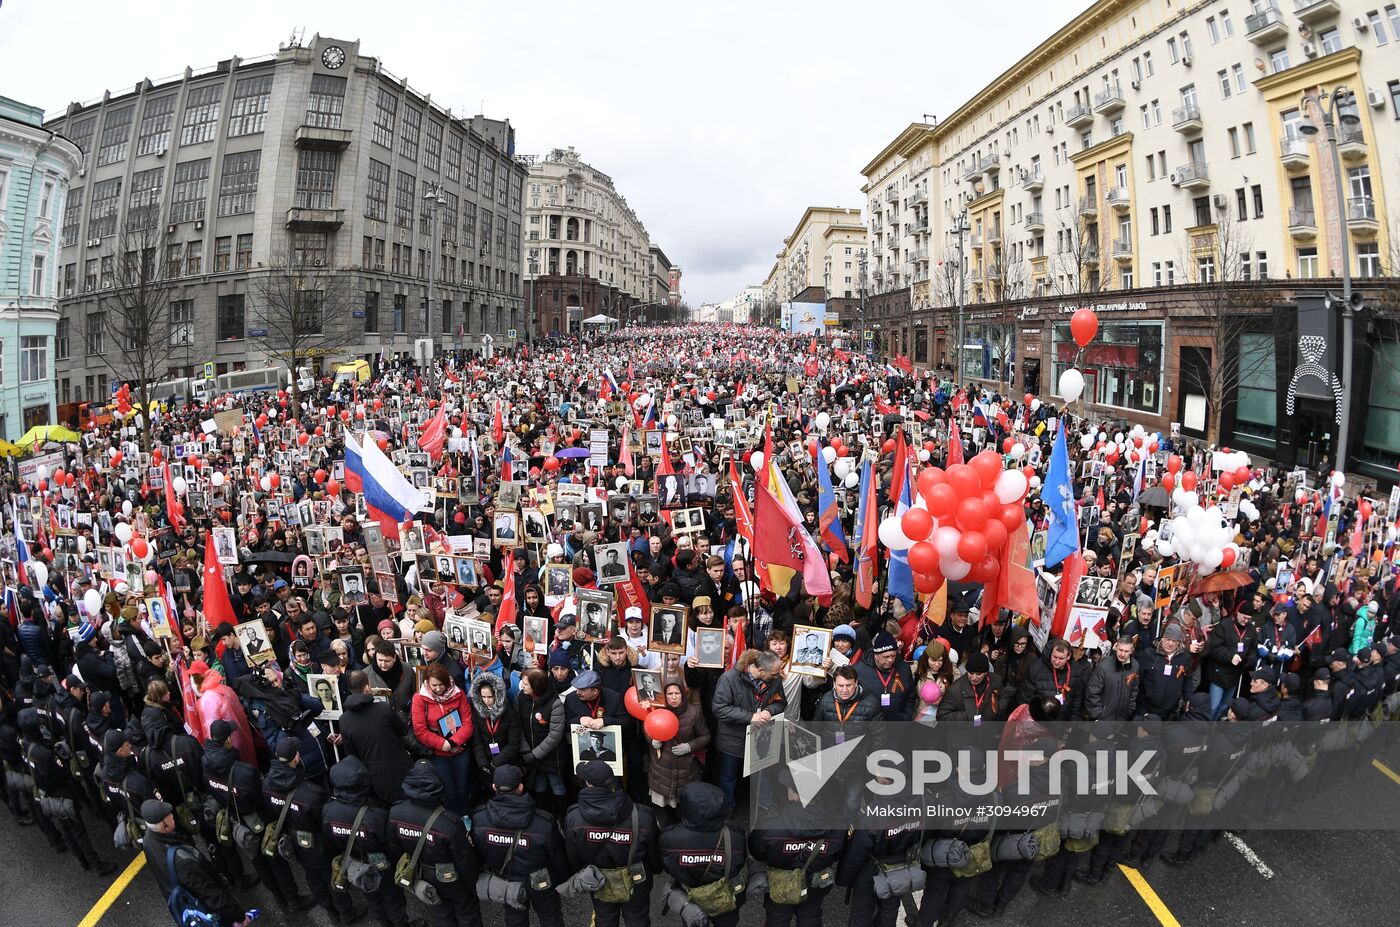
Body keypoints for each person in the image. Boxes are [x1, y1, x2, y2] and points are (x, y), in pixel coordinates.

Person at [262, 739, 360, 924]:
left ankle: (330, 911)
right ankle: (346, 913)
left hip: (293, 841)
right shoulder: (311, 794)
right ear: (296, 758)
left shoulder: (267, 784)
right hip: (318, 844)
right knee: (331, 876)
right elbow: (325, 823)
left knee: (312, 877)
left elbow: (271, 810)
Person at [562, 760, 661, 927]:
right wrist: (655, 869)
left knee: (605, 918)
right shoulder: (642, 816)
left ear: (587, 783)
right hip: (636, 880)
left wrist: (580, 872)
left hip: (599, 880)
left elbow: (572, 855)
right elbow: (654, 854)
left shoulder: (573, 818)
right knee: (638, 919)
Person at [469, 765, 569, 927]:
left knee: (515, 919)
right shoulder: (543, 822)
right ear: (521, 787)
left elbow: (478, 854)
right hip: (540, 882)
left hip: (506, 880)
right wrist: (562, 881)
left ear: (494, 787)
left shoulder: (479, 819)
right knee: (550, 918)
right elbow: (558, 859)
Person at [387, 760, 483, 927]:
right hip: (451, 878)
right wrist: (473, 884)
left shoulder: (395, 813)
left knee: (441, 912)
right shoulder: (449, 822)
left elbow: (395, 849)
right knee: (467, 913)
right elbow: (465, 860)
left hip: (422, 873)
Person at [748, 766, 847, 927]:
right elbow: (837, 854)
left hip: (781, 885)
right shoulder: (838, 826)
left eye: (789, 789)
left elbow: (757, 852)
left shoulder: (770, 826)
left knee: (777, 918)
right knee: (811, 915)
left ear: (795, 796)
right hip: (816, 883)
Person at [322, 757, 410, 927]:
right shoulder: (375, 816)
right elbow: (390, 846)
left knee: (370, 893)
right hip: (380, 862)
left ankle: (383, 922)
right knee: (392, 896)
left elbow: (330, 841)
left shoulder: (328, 811)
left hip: (354, 862)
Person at [141, 799, 249, 927]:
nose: (173, 817)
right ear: (164, 825)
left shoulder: (148, 840)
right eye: (169, 816)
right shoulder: (183, 862)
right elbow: (211, 895)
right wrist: (239, 916)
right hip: (207, 913)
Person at [658, 782, 748, 927]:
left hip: (691, 900)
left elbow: (668, 867)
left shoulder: (669, 838)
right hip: (724, 898)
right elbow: (737, 865)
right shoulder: (735, 836)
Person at [711, 651, 785, 810]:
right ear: (760, 669)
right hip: (732, 739)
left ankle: (765, 804)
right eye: (774, 673)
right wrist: (750, 717)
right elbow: (719, 709)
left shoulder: (774, 679)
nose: (778, 675)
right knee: (728, 778)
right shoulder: (729, 679)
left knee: (762, 774)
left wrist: (769, 711)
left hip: (760, 738)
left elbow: (780, 702)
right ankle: (727, 809)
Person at [336, 670, 414, 806]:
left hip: (373, 777)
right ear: (367, 687)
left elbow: (351, 755)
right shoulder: (384, 709)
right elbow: (403, 730)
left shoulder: (344, 720)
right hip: (399, 769)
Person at [410, 663, 474, 815]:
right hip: (439, 755)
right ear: (427, 683)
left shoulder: (458, 694)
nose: (438, 689)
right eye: (434, 685)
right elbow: (420, 730)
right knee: (448, 789)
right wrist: (443, 744)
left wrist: (453, 742)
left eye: (441, 685)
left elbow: (467, 723)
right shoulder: (420, 698)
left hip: (460, 750)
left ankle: (464, 814)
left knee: (462, 786)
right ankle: (452, 816)